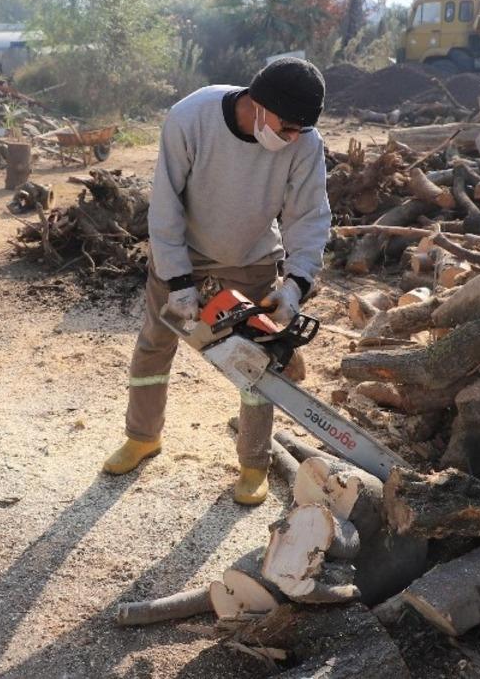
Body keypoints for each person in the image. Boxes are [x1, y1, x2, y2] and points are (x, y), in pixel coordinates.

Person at [103, 58, 331, 506]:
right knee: (154, 343)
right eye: (285, 128)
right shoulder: (191, 117)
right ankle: (142, 436)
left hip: (251, 256)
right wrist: (178, 279)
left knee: (257, 363)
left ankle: (253, 464)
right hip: (184, 251)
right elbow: (165, 205)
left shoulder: (304, 141)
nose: (289, 139)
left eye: (298, 132)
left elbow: (309, 215)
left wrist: (295, 283)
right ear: (259, 104)